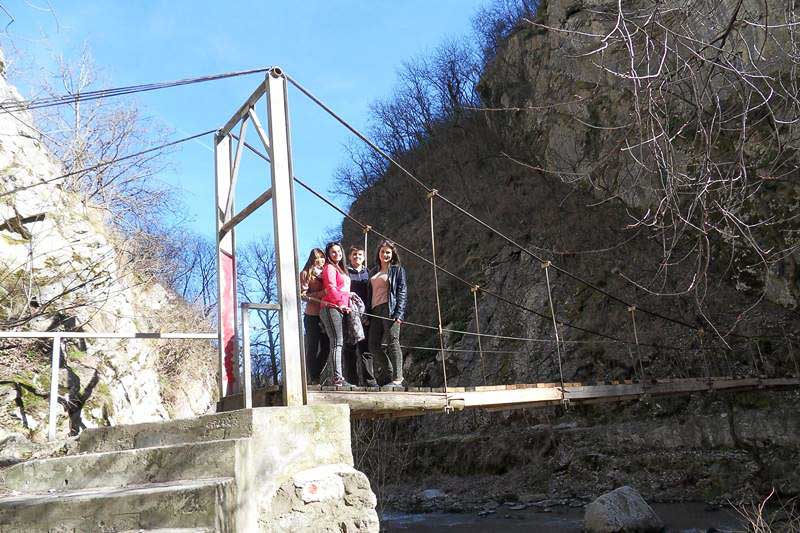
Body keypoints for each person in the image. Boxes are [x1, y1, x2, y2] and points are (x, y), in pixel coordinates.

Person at [366, 240, 407, 388]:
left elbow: (402, 291)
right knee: (373, 344)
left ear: (392, 254)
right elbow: (369, 294)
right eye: (382, 252)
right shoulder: (373, 272)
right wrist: (367, 313)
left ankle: (398, 378)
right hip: (375, 310)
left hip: (390, 309)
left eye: (388, 252)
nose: (385, 254)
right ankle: (390, 372)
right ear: (379, 253)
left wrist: (399, 313)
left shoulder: (397, 270)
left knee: (392, 341)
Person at [319, 241, 353, 387]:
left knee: (339, 342)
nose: (337, 254)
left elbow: (343, 290)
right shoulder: (329, 268)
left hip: (341, 308)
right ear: (328, 254)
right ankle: (337, 378)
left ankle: (336, 377)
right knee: (336, 341)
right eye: (333, 252)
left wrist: (348, 304)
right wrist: (340, 303)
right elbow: (331, 287)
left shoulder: (341, 269)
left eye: (339, 251)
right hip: (331, 307)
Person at [345, 245, 377, 387]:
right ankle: (352, 381)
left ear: (363, 257)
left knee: (366, 349)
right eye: (354, 254)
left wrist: (369, 314)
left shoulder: (368, 274)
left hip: (365, 314)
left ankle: (369, 381)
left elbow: (372, 295)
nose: (357, 257)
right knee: (350, 348)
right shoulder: (345, 272)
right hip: (350, 315)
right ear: (349, 257)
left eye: (359, 255)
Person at [299, 248, 329, 384]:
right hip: (312, 315)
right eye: (316, 258)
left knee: (327, 346)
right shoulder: (306, 273)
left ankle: (316, 373)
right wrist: (321, 294)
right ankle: (314, 378)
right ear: (312, 259)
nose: (320, 260)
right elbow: (303, 295)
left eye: (322, 257)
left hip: (326, 314)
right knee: (313, 345)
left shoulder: (327, 272)